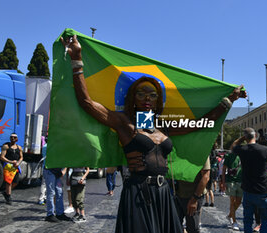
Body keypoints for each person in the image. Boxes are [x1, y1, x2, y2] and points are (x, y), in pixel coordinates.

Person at [61, 34, 246, 233]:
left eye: (152, 94)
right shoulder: (125, 123)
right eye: (141, 94)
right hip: (138, 193)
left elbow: (200, 124)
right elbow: (87, 103)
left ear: (158, 100)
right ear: (133, 98)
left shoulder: (163, 126)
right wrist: (76, 60)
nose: (147, 98)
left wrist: (229, 100)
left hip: (164, 193)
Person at [231, 127, 267, 233]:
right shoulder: (264, 150)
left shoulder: (242, 149)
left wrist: (242, 138)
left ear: (245, 137)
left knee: (247, 220)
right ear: (255, 136)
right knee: (265, 219)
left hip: (248, 190)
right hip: (263, 190)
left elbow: (233, 146)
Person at [176, 158, 210, 233]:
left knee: (192, 228)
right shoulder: (178, 148)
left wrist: (194, 199)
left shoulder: (202, 150)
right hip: (177, 194)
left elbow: (206, 177)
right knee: (174, 226)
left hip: (192, 195)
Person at [221, 150, 242, 231]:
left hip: (240, 180)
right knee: (232, 201)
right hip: (230, 181)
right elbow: (223, 170)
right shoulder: (228, 156)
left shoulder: (242, 155)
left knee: (239, 201)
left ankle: (230, 215)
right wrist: (223, 182)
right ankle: (234, 221)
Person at [0, 133, 23, 205]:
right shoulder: (6, 146)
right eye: (11, 137)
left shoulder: (19, 147)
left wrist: (18, 163)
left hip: (15, 167)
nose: (13, 138)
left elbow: (21, 157)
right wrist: (11, 162)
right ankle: (8, 197)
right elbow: (2, 157)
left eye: (14, 137)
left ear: (17, 139)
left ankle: (6, 192)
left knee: (15, 182)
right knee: (8, 182)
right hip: (8, 166)